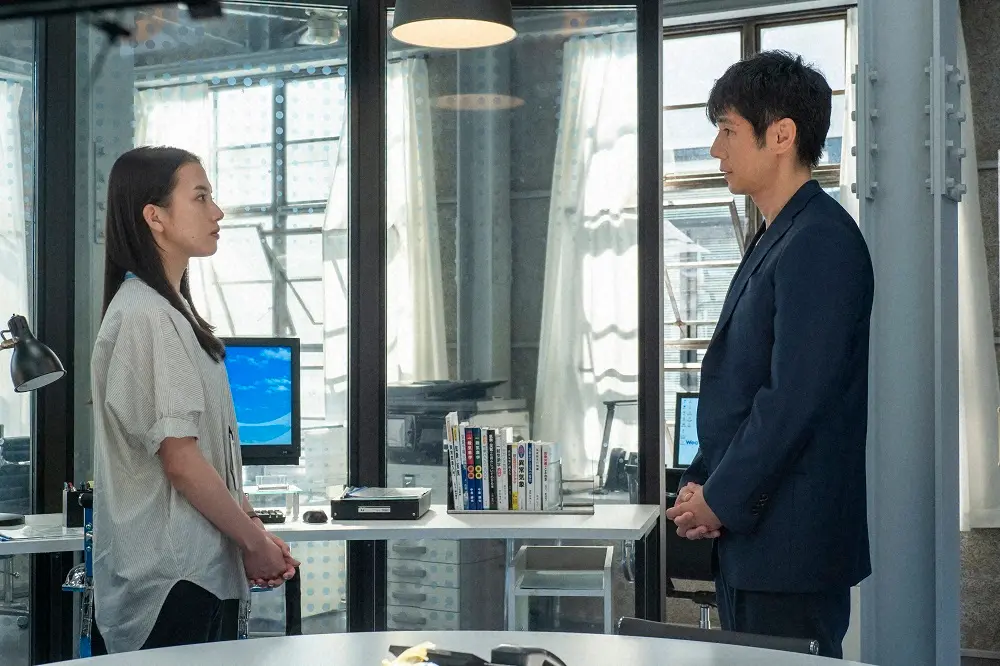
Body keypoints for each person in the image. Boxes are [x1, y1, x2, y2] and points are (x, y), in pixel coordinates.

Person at [665, 51, 874, 659]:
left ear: (781, 135)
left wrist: (719, 499)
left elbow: (793, 401)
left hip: (790, 546)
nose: (715, 150)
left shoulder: (820, 239)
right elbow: (741, 388)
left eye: (727, 131)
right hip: (754, 541)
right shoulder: (776, 233)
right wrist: (702, 482)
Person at [90, 146, 300, 654]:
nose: (218, 212)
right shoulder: (147, 315)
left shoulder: (172, 311)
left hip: (197, 574)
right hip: (170, 582)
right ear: (155, 216)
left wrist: (253, 529)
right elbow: (182, 462)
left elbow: (209, 458)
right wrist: (252, 542)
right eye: (201, 197)